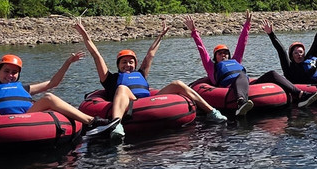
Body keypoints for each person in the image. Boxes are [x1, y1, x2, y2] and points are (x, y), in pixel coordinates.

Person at [74, 18, 227, 125]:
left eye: (131, 62)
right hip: (129, 103)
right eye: (124, 62)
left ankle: (211, 112)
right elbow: (96, 55)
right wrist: (84, 35)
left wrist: (161, 35)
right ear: (118, 65)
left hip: (148, 100)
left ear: (135, 64)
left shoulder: (140, 74)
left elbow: (150, 54)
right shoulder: (110, 79)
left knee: (178, 84)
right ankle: (116, 124)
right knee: (122, 88)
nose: (128, 65)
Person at [185, 13, 312, 114]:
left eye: (226, 53)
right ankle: (241, 103)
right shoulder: (211, 67)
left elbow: (242, 44)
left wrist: (247, 25)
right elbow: (202, 50)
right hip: (229, 88)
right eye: (220, 53)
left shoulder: (235, 60)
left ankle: (300, 95)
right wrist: (194, 32)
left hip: (245, 84)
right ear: (215, 57)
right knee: (241, 76)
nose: (223, 55)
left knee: (272, 74)